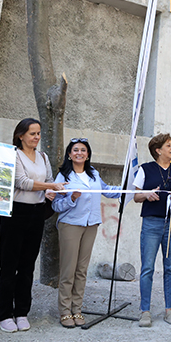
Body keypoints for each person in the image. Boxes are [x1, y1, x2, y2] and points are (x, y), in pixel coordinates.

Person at [0, 118, 67, 333]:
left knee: (27, 265)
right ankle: (4, 314)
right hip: (15, 213)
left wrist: (52, 191)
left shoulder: (43, 156)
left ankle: (22, 312)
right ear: (21, 135)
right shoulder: (14, 154)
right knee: (9, 265)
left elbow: (49, 179)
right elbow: (22, 182)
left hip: (36, 214)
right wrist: (49, 185)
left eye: (38, 133)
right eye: (32, 133)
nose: (36, 137)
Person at [52, 138, 121, 328]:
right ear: (69, 154)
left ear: (88, 154)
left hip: (91, 225)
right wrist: (72, 199)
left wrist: (128, 189)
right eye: (75, 150)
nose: (79, 153)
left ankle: (77, 309)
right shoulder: (63, 176)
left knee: (81, 270)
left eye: (83, 150)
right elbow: (55, 204)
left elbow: (107, 190)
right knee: (68, 269)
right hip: (70, 225)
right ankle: (65, 311)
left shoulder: (93, 174)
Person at [133, 133, 171, 327]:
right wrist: (147, 194)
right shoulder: (145, 169)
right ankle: (145, 311)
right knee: (147, 267)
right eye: (168, 145)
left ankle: (169, 309)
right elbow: (135, 196)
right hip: (151, 223)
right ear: (158, 151)